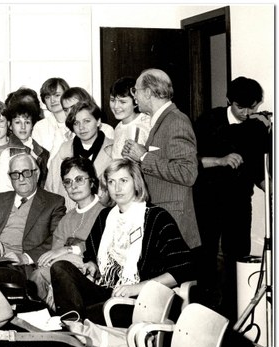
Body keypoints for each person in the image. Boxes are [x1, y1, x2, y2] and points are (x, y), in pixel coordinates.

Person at [50, 158, 194, 323]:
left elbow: (184, 268)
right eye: (111, 182)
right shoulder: (105, 217)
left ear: (136, 183)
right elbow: (91, 253)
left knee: (86, 314)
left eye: (123, 181)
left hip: (142, 301)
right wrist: (92, 265)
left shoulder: (157, 217)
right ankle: (74, 323)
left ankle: (73, 325)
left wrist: (136, 288)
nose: (117, 188)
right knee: (60, 268)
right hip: (108, 292)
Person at [193, 76, 272, 315]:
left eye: (252, 107)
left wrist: (270, 189)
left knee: (237, 256)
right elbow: (190, 162)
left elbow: (258, 169)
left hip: (239, 202)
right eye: (241, 107)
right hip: (208, 200)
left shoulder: (257, 128)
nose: (247, 113)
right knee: (209, 257)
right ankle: (206, 313)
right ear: (229, 101)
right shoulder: (209, 120)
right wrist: (220, 160)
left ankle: (234, 314)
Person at [122, 68, 200, 250]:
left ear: (148, 92)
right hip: (163, 218)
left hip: (173, 221)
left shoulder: (176, 121)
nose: (134, 96)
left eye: (135, 90)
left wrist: (143, 156)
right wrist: (137, 159)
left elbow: (188, 173)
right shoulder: (163, 120)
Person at [0, 153, 66, 279]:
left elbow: (57, 238)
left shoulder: (53, 202)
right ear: (10, 178)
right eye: (15, 174)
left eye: (26, 172)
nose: (21, 179)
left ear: (36, 174)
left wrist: (25, 257)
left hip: (22, 265)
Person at [31, 156, 105, 309]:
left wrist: (69, 249)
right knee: (38, 275)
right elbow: (54, 254)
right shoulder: (67, 219)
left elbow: (101, 247)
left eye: (79, 179)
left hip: (94, 274)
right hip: (63, 272)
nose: (73, 186)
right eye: (68, 182)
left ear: (92, 181)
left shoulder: (105, 212)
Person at [46, 101, 114, 210]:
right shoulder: (63, 150)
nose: (81, 127)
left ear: (98, 121)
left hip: (104, 212)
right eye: (76, 123)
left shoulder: (114, 150)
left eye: (87, 121)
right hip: (68, 213)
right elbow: (50, 189)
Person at [5, 101, 50, 188]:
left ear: (32, 125)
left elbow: (43, 185)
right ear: (10, 125)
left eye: (27, 122)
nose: (23, 127)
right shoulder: (3, 149)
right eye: (17, 122)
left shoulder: (43, 154)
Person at [109, 77, 151, 160]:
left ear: (136, 101)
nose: (116, 106)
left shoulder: (147, 123)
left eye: (122, 102)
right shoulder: (118, 127)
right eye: (112, 100)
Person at [31, 77, 70, 156]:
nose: (52, 100)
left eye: (57, 95)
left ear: (67, 96)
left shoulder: (78, 122)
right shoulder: (40, 127)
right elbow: (38, 158)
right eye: (47, 97)